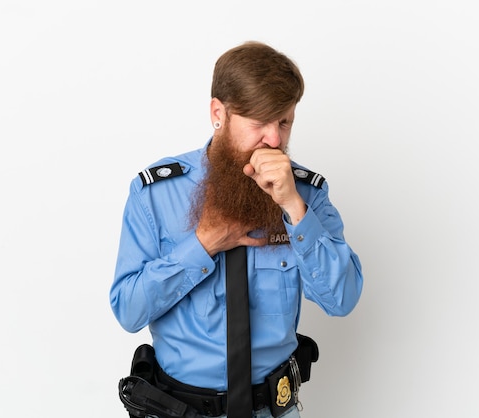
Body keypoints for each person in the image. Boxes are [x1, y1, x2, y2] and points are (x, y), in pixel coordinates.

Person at [110, 41, 363, 418]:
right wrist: (203, 244)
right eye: (259, 122)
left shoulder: (306, 194)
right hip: (178, 409)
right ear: (219, 113)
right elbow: (128, 311)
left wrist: (295, 209)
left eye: (284, 121)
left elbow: (341, 299)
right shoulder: (155, 195)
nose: (274, 140)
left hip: (273, 409)